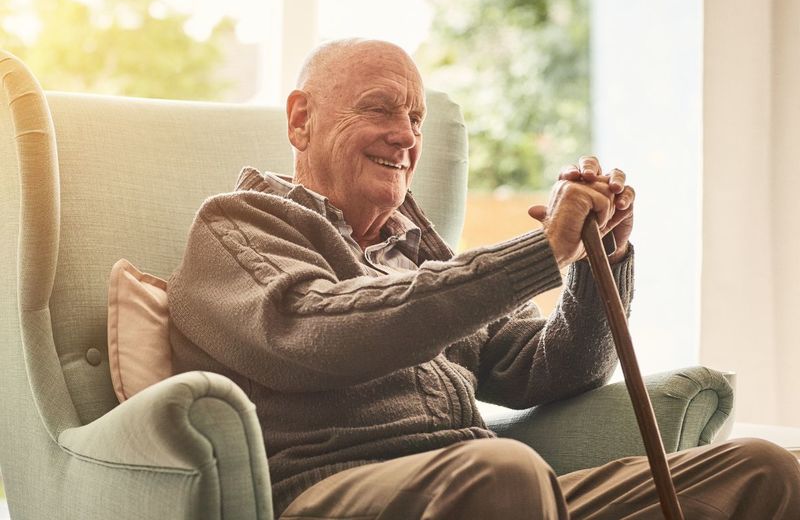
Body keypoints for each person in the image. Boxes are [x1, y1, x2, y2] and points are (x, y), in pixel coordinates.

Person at [168, 38, 800, 519]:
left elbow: (549, 368)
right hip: (339, 492)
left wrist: (593, 260)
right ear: (301, 119)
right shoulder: (240, 226)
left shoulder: (418, 253)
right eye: (380, 109)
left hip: (500, 492)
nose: (406, 136)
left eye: (416, 119)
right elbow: (320, 332)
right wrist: (540, 250)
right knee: (503, 473)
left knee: (765, 470)